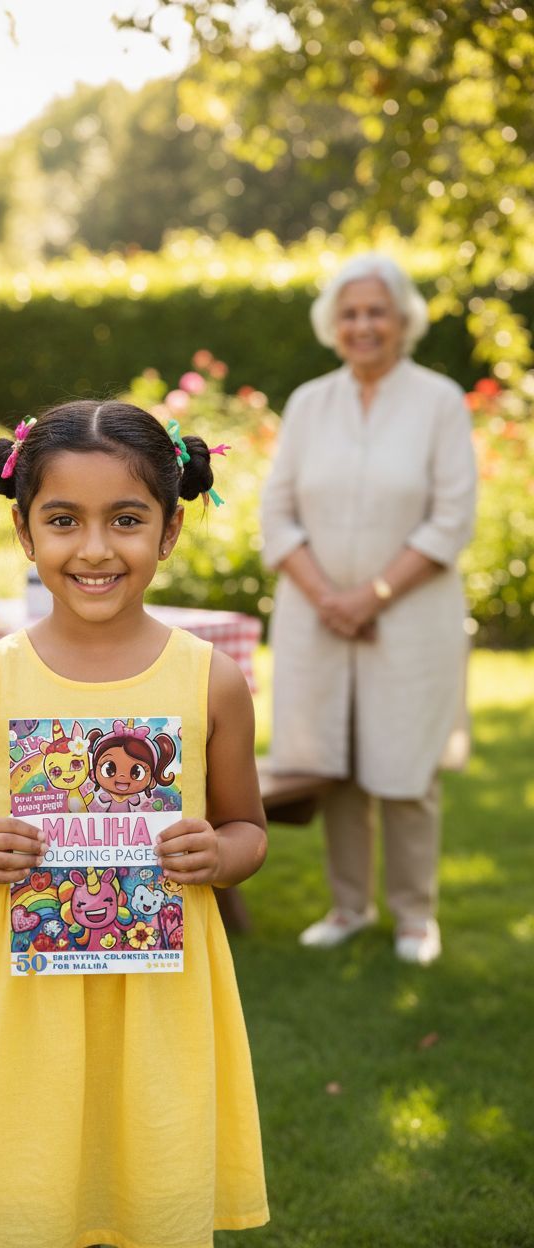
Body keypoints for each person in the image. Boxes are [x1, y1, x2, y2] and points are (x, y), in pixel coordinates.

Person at [0, 400, 270, 1248]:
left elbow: (250, 830)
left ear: (170, 529)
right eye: (64, 520)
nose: (96, 548)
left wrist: (219, 851)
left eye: (127, 519)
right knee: (33, 1187)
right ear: (24, 532)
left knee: (156, 1179)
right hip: (28, 995)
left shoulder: (212, 681)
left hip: (163, 996)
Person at [260, 252, 476, 966]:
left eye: (376, 311)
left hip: (410, 620)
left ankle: (416, 919)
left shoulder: (439, 401)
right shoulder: (309, 402)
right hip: (315, 619)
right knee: (337, 764)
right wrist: (329, 597)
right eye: (350, 312)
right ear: (334, 323)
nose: (363, 325)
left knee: (406, 770)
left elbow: (451, 519)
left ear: (402, 319)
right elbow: (277, 514)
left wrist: (372, 595)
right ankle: (349, 907)